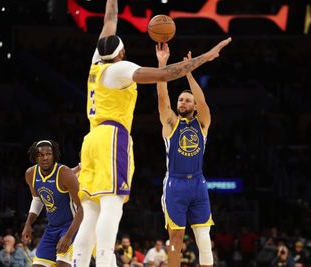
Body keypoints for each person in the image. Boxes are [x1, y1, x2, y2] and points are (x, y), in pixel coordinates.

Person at [71, 0, 232, 265]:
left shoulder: (97, 61)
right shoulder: (118, 68)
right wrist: (206, 57)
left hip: (91, 138)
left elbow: (109, 18)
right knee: (112, 204)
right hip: (112, 136)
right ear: (121, 53)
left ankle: (78, 261)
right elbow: (166, 75)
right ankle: (105, 260)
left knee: (91, 208)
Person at [155, 43, 214, 267]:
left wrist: (188, 72)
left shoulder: (203, 122)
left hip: (198, 182)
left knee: (204, 238)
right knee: (175, 240)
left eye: (187, 100)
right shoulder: (171, 123)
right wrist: (162, 65)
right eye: (181, 99)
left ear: (194, 106)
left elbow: (203, 102)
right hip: (175, 184)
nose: (183, 102)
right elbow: (163, 99)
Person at [22, 140, 83, 267]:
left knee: (62, 265)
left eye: (48, 154)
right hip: (51, 228)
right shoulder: (30, 174)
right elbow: (37, 200)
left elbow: (82, 208)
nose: (45, 158)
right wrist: (28, 223)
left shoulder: (65, 173)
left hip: (71, 225)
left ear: (54, 155)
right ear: (35, 157)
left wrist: (68, 236)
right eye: (40, 155)